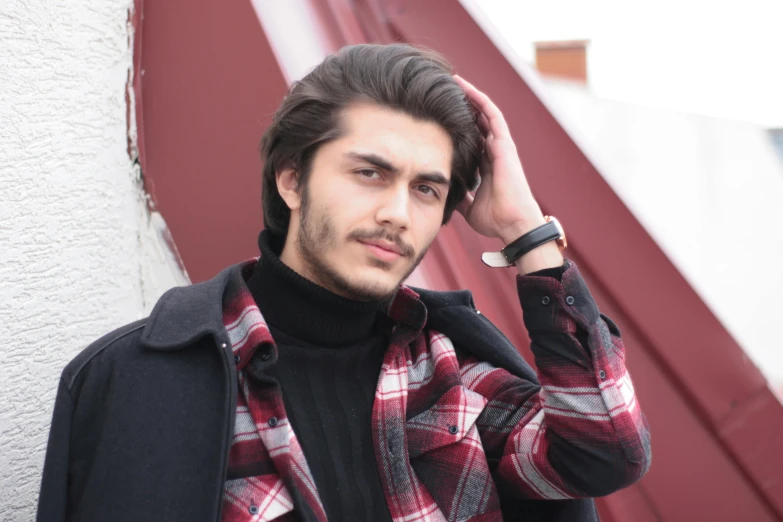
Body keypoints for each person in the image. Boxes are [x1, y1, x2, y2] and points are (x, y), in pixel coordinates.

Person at [36, 44, 650, 522]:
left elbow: (605, 452)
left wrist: (527, 233)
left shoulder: (454, 376)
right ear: (291, 180)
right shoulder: (137, 381)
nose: (398, 213)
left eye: (426, 189)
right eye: (370, 173)